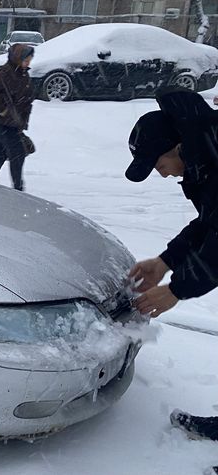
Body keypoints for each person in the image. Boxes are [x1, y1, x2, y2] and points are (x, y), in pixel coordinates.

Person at [126, 86, 218, 462]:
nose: (161, 174)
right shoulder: (207, 159)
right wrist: (165, 261)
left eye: (158, 164)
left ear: (177, 146)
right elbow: (209, 224)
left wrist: (176, 290)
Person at [0, 43, 36, 191]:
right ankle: (18, 188)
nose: (28, 63)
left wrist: (22, 119)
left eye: (29, 60)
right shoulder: (5, 73)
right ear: (17, 58)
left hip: (13, 122)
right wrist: (3, 110)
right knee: (17, 152)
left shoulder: (22, 73)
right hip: (1, 121)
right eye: (26, 60)